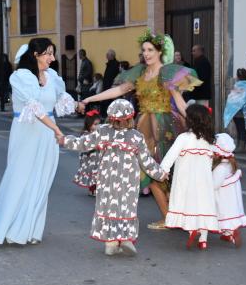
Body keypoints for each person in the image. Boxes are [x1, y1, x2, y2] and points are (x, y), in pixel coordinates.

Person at [78, 29, 201, 230]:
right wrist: (89, 98)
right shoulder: (140, 73)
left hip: (164, 126)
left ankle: (175, 216)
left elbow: (180, 103)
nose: (146, 53)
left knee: (165, 172)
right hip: (143, 126)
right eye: (144, 50)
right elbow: (117, 90)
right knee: (149, 173)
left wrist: (198, 124)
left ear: (159, 51)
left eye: (150, 50)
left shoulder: (167, 73)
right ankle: (170, 217)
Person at [0, 38, 76, 245]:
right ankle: (5, 230)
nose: (53, 58)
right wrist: (55, 128)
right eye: (49, 53)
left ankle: (28, 230)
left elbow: (62, 99)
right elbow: (34, 107)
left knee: (42, 180)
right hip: (27, 132)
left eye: (53, 53)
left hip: (47, 135)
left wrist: (83, 104)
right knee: (19, 177)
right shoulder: (20, 77)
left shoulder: (52, 76)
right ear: (35, 55)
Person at [61, 99, 167, 256]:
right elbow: (147, 162)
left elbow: (82, 144)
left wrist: (65, 140)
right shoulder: (136, 137)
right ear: (131, 117)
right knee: (126, 207)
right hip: (129, 181)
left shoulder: (103, 132)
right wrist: (161, 174)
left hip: (107, 179)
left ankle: (110, 242)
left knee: (108, 207)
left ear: (110, 117)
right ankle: (126, 240)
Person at [160, 104, 218, 250]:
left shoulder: (183, 138)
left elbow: (170, 156)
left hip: (185, 179)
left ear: (190, 120)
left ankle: (192, 230)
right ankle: (203, 239)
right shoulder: (210, 140)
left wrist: (163, 171)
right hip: (204, 180)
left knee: (188, 204)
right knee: (203, 205)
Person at [212, 133, 246, 247]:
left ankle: (231, 232)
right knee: (229, 216)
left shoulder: (219, 168)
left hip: (223, 197)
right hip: (232, 197)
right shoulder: (231, 164)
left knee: (222, 214)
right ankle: (227, 234)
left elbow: (214, 186)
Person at [72, 109, 102, 196]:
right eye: (95, 124)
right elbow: (85, 146)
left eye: (99, 124)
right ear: (89, 124)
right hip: (89, 159)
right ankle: (92, 189)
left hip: (99, 157)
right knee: (92, 174)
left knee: (99, 174)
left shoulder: (99, 133)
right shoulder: (86, 134)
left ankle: (98, 188)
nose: (97, 126)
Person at [223, 68, 246, 151]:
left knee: (242, 129)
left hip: (242, 111)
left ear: (240, 77)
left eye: (238, 75)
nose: (236, 77)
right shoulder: (239, 85)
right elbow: (233, 96)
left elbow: (244, 97)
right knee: (239, 128)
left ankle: (242, 146)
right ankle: (239, 144)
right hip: (235, 111)